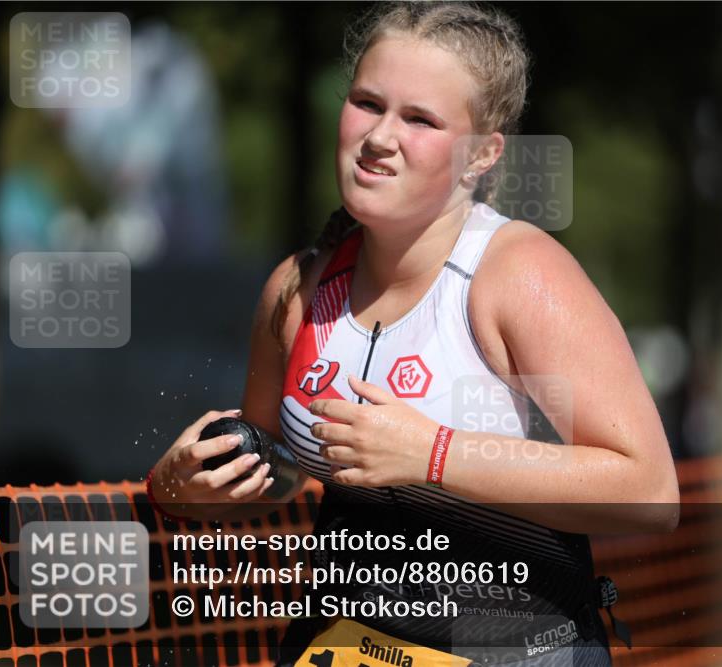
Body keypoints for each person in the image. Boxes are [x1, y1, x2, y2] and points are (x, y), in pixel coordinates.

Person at [148, 2, 678, 664]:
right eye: (368, 103)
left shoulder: (516, 274)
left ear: (482, 154)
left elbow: (650, 491)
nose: (379, 136)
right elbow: (282, 474)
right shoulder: (296, 288)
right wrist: (187, 489)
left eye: (420, 119)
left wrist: (433, 454)